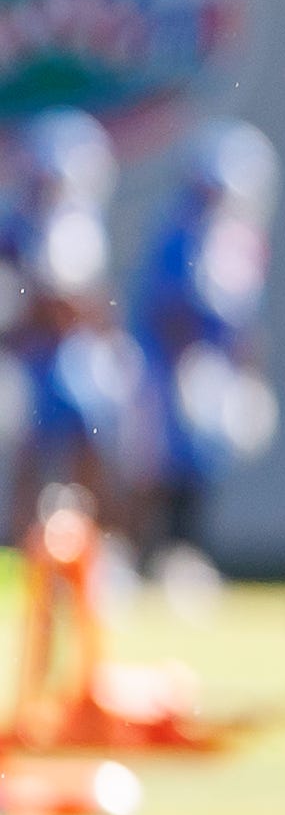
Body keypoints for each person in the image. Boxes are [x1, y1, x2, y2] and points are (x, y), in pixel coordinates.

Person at [129, 120, 281, 600]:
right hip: (171, 363)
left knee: (199, 464)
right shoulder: (181, 231)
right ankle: (146, 557)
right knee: (161, 465)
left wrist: (247, 373)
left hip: (210, 365)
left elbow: (243, 320)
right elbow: (170, 307)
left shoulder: (242, 238)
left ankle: (185, 554)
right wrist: (187, 368)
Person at [2, 113, 142, 537]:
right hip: (25, 358)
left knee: (96, 442)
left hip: (71, 360)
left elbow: (93, 302)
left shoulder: (81, 225)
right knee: (28, 452)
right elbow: (25, 307)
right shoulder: (13, 229)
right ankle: (24, 542)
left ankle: (90, 543)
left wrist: (108, 335)